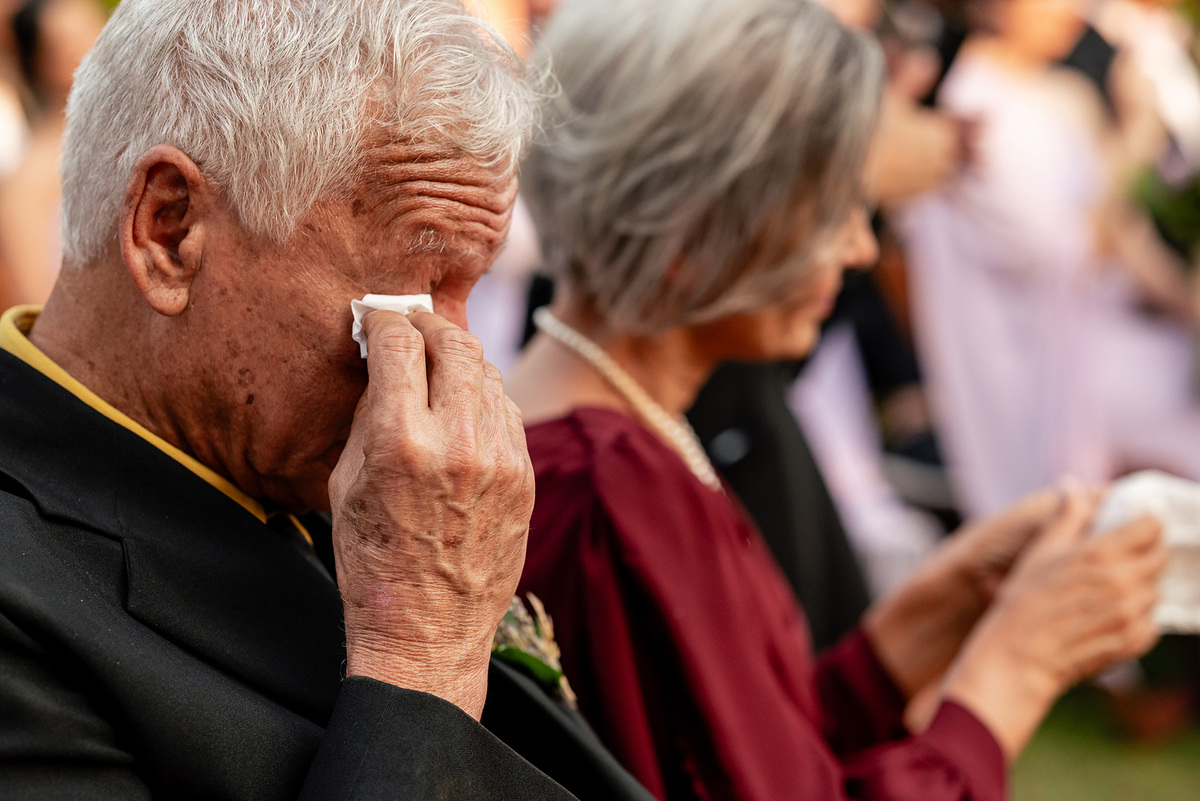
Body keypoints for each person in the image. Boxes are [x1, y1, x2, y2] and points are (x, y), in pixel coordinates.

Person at [506, 0, 1168, 799]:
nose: (859, 246)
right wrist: (1015, 669)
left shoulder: (615, 432)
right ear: (688, 231)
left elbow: (752, 749)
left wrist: (928, 616)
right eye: (833, 209)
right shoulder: (610, 490)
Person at [0, 1, 657, 799]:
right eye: (410, 291)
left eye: (469, 296)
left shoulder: (324, 466)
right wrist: (419, 661)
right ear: (170, 231)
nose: (453, 364)